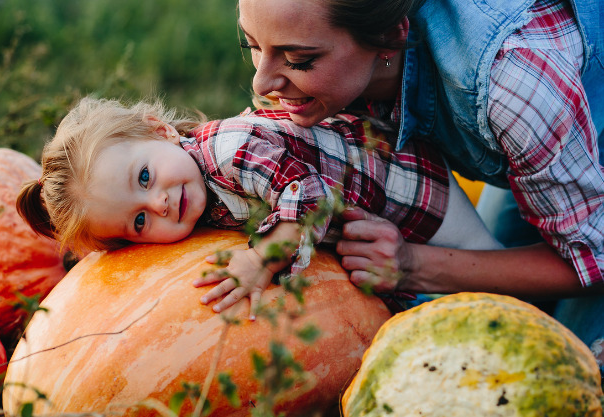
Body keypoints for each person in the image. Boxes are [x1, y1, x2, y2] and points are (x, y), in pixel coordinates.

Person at [235, 0, 604, 367]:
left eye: (299, 59)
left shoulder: (513, 83)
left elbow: (593, 259)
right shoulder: (343, 67)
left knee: (567, 366)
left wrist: (411, 264)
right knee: (494, 310)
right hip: (548, 141)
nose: (261, 82)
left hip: (558, 118)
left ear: (389, 37)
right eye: (251, 45)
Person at [16, 97, 501, 319]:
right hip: (373, 230)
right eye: (139, 220)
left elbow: (308, 197)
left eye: (144, 177)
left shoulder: (231, 149)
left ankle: (538, 306)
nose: (159, 202)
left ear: (158, 130)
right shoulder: (192, 190)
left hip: (410, 192)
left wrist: (259, 258)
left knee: (485, 268)